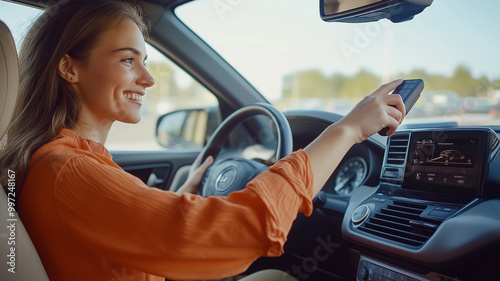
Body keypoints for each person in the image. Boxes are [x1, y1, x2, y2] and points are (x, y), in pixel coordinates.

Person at [0, 0, 405, 280]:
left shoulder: (53, 162)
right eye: (127, 59)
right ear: (69, 68)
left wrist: (178, 196)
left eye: (145, 60)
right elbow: (245, 228)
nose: (148, 78)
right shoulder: (69, 170)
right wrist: (346, 131)